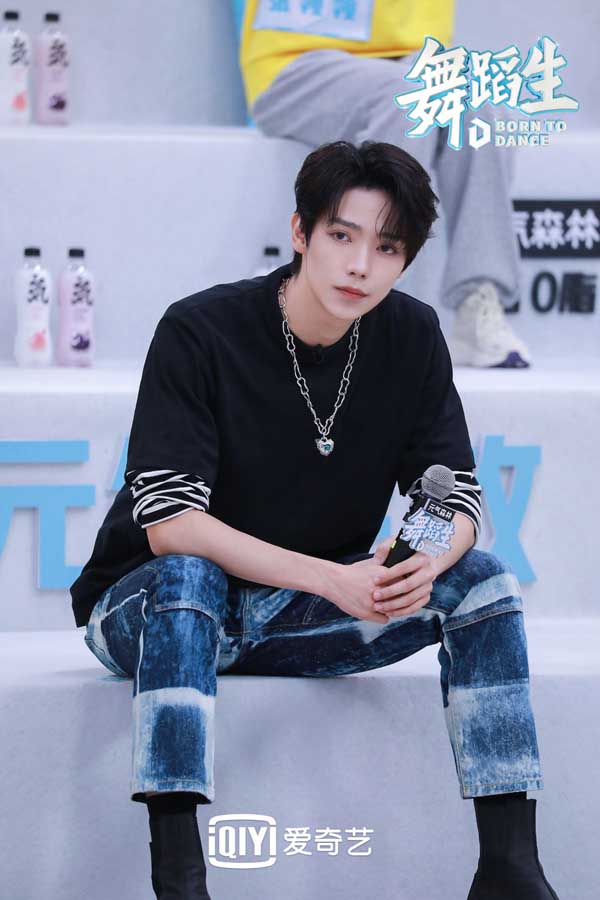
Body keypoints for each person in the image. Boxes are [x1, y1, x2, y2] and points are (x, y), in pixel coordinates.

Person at [70, 141, 559, 900]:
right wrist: (333, 579)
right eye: (341, 235)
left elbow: (455, 496)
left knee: (484, 579)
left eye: (387, 247)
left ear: (407, 259)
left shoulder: (411, 336)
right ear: (300, 232)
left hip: (298, 616)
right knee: (188, 575)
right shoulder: (201, 330)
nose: (361, 265)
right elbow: (169, 523)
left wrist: (423, 559)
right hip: (151, 614)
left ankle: (509, 868)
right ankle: (180, 877)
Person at [238, 0, 532, 369]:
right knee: (408, 97)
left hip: (412, 57)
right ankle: (375, 317)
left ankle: (477, 302)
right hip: (296, 56)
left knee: (480, 98)